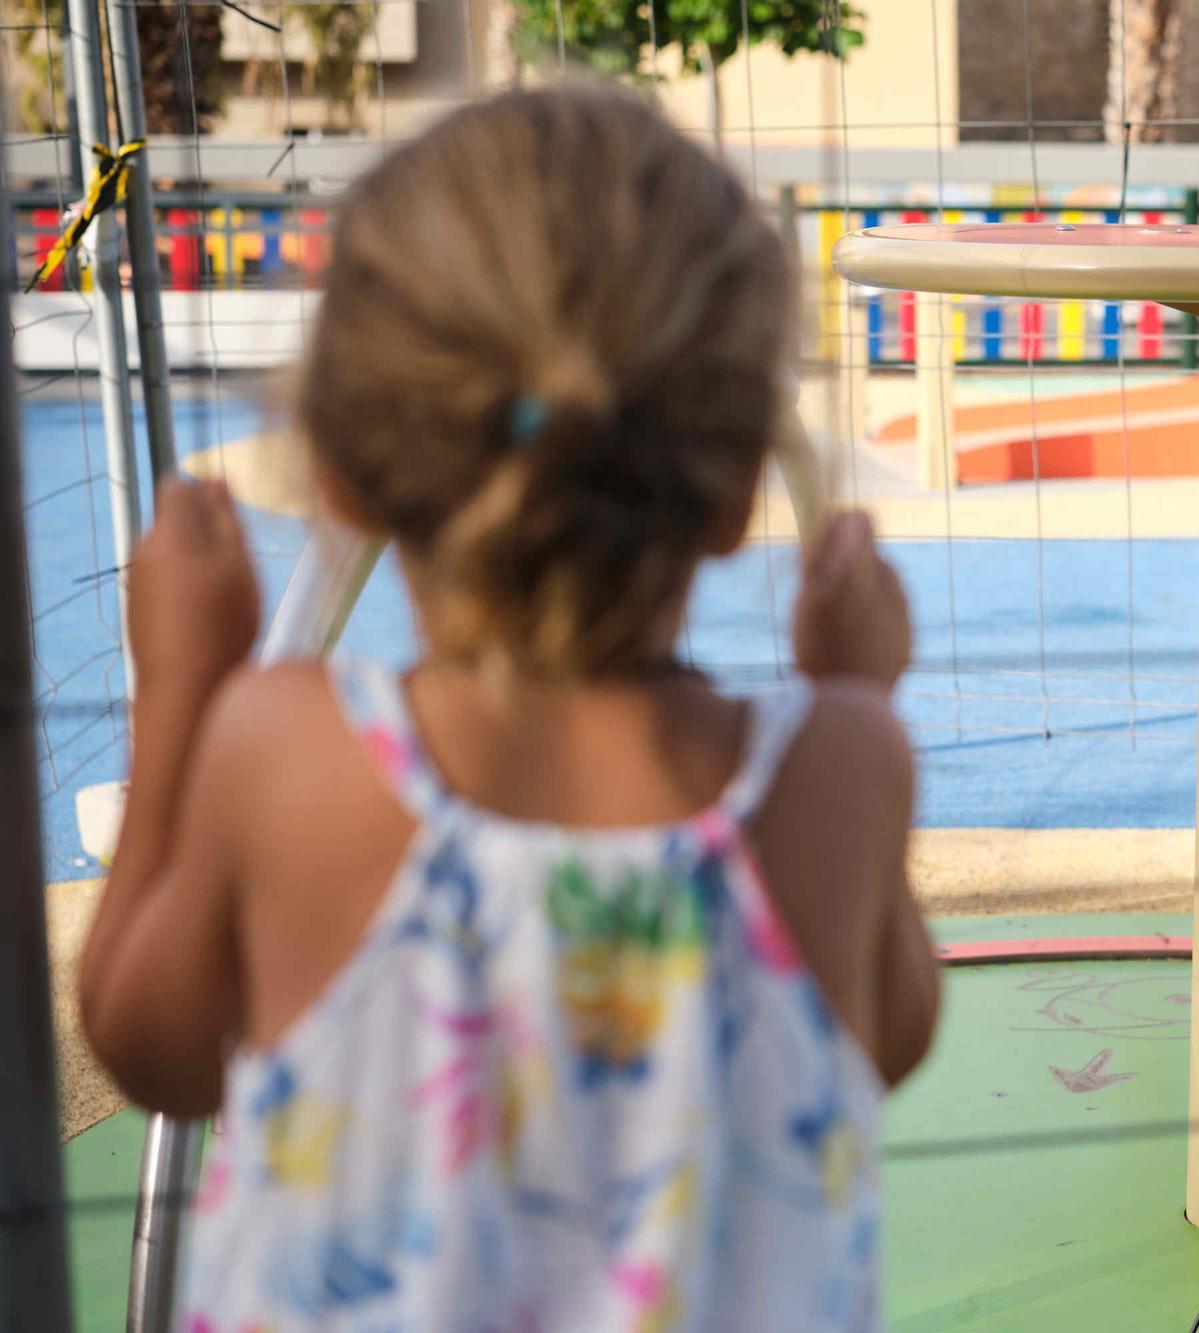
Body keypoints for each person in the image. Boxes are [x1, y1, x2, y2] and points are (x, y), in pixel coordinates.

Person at [78, 83, 937, 1331]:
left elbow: (144, 1041)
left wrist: (183, 692)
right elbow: (890, 1032)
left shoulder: (287, 752)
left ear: (343, 472)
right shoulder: (840, 769)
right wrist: (855, 691)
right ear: (738, 486)